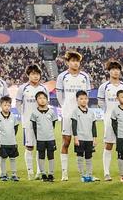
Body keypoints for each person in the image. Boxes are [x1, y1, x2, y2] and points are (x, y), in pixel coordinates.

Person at [55, 51, 92, 182]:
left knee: (82, 144)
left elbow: (87, 95)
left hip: (82, 115)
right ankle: (64, 173)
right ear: (68, 62)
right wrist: (65, 107)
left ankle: (83, 173)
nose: (75, 63)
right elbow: (59, 95)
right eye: (73, 61)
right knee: (66, 142)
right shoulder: (62, 76)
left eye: (77, 61)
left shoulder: (85, 76)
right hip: (67, 114)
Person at [97, 61, 123, 182]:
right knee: (108, 144)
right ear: (109, 71)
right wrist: (108, 112)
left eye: (117, 69)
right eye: (113, 69)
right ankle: (106, 172)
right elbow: (101, 102)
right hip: (109, 120)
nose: (115, 71)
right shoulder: (104, 86)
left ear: (120, 71)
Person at [17, 64, 49, 180]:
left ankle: (39, 172)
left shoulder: (44, 89)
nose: (36, 76)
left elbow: (47, 104)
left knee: (41, 147)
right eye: (33, 74)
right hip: (28, 123)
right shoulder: (23, 88)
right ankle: (30, 172)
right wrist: (24, 115)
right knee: (29, 147)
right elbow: (18, 104)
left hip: (41, 123)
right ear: (28, 75)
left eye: (37, 74)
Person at [28, 91, 57, 182]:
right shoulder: (34, 113)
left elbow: (53, 124)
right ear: (36, 100)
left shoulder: (51, 112)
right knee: (41, 155)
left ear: (47, 100)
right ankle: (43, 173)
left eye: (44, 98)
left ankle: (51, 174)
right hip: (40, 139)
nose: (42, 100)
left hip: (50, 138)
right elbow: (34, 127)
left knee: (51, 155)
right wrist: (38, 136)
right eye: (40, 98)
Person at [68, 90, 96, 183]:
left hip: (89, 138)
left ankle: (89, 174)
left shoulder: (91, 112)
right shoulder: (75, 112)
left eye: (85, 98)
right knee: (80, 156)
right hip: (80, 138)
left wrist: (94, 138)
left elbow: (94, 126)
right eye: (81, 99)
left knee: (89, 157)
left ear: (88, 99)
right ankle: (82, 174)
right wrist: (75, 137)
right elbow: (74, 125)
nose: (84, 100)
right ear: (77, 100)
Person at [0, 96, 20, 182]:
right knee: (3, 159)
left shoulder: (13, 116)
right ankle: (3, 174)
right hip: (2, 142)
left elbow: (15, 128)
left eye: (8, 105)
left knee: (13, 159)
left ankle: (14, 175)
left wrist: (10, 136)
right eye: (5, 105)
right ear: (0, 105)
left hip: (12, 142)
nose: (7, 107)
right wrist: (3, 135)